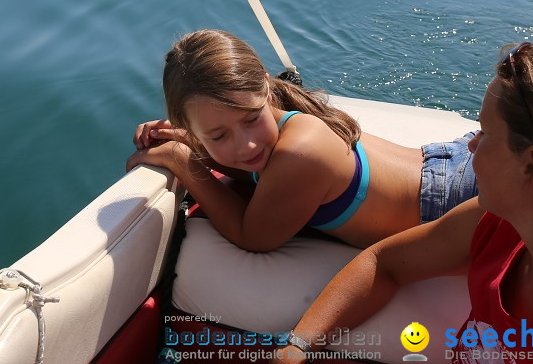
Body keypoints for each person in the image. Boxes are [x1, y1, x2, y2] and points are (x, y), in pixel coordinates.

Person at [278, 40, 533, 361]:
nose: (472, 145)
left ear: (532, 164)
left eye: (485, 133)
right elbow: (383, 263)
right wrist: (298, 346)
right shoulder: (494, 225)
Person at [127, 29, 479, 253]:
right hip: (449, 161)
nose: (246, 146)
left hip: (456, 197)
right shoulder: (277, 121)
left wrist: (181, 159)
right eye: (218, 135)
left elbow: (253, 236)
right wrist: (186, 139)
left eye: (251, 119)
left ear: (265, 87)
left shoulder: (301, 151)